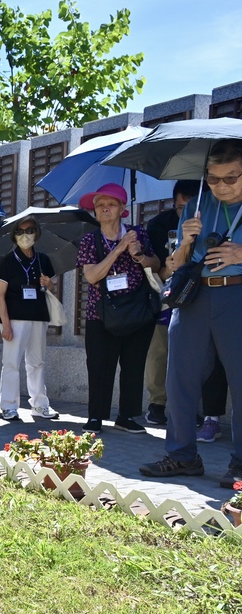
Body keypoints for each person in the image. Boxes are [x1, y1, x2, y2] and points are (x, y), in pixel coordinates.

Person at [141, 140, 242, 485]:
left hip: (237, 294)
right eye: (213, 179)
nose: (221, 186)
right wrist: (186, 241)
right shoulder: (197, 204)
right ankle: (181, 455)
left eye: (231, 178)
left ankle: (240, 464)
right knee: (179, 378)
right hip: (195, 297)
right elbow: (175, 265)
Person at [76, 183, 160, 434]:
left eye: (111, 204)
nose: (105, 208)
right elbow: (92, 276)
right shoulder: (90, 240)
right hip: (101, 313)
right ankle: (95, 416)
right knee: (99, 365)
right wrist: (119, 248)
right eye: (100, 205)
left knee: (133, 365)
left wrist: (139, 255)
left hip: (137, 310)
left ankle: (127, 416)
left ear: (123, 208)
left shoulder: (138, 234)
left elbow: (156, 264)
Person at [143, 180, 199, 425]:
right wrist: (168, 267)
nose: (185, 213)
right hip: (166, 292)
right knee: (159, 350)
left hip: (202, 292)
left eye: (191, 207)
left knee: (194, 354)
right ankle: (157, 403)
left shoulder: (212, 221)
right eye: (180, 208)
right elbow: (156, 268)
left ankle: (190, 407)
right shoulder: (158, 224)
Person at [0, 215, 57, 421]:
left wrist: (49, 284)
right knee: (11, 363)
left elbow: (52, 288)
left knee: (37, 362)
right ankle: (9, 406)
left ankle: (40, 404)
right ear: (14, 236)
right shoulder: (8, 261)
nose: (25, 235)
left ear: (36, 233)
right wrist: (5, 324)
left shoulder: (43, 259)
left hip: (38, 316)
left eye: (29, 230)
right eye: (20, 232)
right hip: (15, 318)